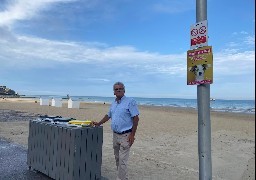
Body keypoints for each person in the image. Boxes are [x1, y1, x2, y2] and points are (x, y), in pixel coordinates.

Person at [93, 82, 140, 180]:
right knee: (118, 159)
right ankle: (122, 177)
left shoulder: (130, 102)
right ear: (114, 92)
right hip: (115, 135)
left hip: (126, 136)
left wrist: (132, 135)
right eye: (116, 89)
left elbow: (136, 118)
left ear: (124, 90)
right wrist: (99, 123)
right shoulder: (114, 103)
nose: (118, 90)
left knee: (122, 161)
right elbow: (108, 115)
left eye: (120, 89)